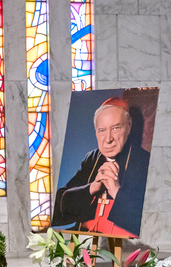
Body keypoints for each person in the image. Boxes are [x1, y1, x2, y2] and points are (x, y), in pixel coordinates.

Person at [52, 97, 150, 237]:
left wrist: (116, 190)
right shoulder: (92, 158)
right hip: (87, 236)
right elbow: (60, 204)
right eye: (102, 130)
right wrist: (92, 188)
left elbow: (148, 217)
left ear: (128, 126)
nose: (108, 139)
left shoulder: (144, 160)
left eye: (115, 128)